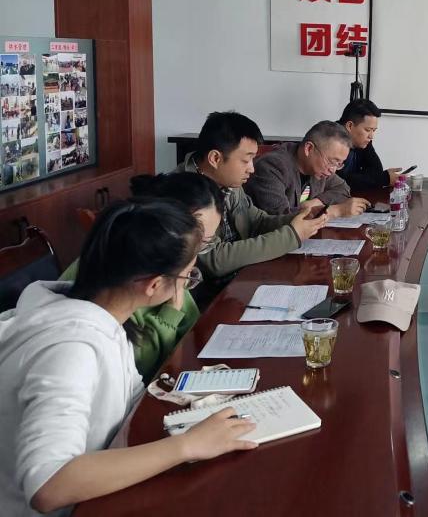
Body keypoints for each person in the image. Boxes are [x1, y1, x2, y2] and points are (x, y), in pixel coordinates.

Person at [0, 199, 257, 516]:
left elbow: (133, 400)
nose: (188, 285)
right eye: (188, 276)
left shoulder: (104, 316)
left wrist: (200, 400)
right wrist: (187, 445)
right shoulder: (71, 349)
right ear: (154, 285)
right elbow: (48, 485)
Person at [58, 172, 222, 381]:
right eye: (200, 240)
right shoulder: (127, 272)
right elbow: (134, 366)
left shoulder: (165, 261)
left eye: (205, 242)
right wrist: (171, 313)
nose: (196, 252)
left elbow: (190, 329)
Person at [177, 111, 327, 286]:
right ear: (215, 158)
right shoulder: (182, 194)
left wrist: (297, 219)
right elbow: (213, 260)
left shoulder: (228, 181)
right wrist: (292, 235)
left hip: (241, 277)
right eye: (245, 160)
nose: (252, 169)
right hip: (210, 292)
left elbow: (256, 222)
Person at [244, 120, 368, 217]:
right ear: (309, 148)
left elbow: (343, 188)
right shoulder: (272, 166)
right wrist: (335, 211)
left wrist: (316, 202)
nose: (333, 170)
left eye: (339, 164)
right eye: (332, 161)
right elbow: (280, 217)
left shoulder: (318, 169)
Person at [337, 99, 400, 190]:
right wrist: (384, 178)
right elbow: (339, 181)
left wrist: (374, 178)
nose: (371, 136)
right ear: (350, 126)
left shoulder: (362, 140)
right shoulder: (330, 140)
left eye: (373, 130)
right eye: (368, 130)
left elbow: (376, 170)